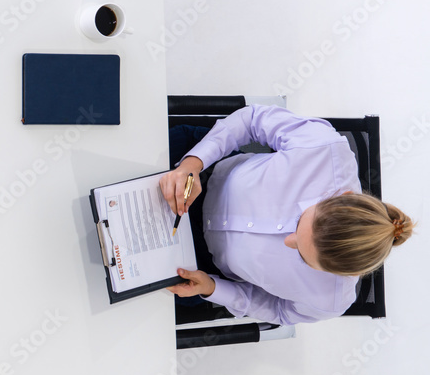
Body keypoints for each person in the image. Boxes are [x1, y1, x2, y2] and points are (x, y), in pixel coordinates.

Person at [160, 105, 413, 326]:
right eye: (300, 221)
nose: (287, 241)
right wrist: (192, 164)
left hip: (201, 265)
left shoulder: (329, 300)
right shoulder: (325, 149)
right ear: (342, 195)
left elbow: (279, 311)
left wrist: (212, 288)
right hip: (202, 171)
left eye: (302, 256)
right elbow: (251, 120)